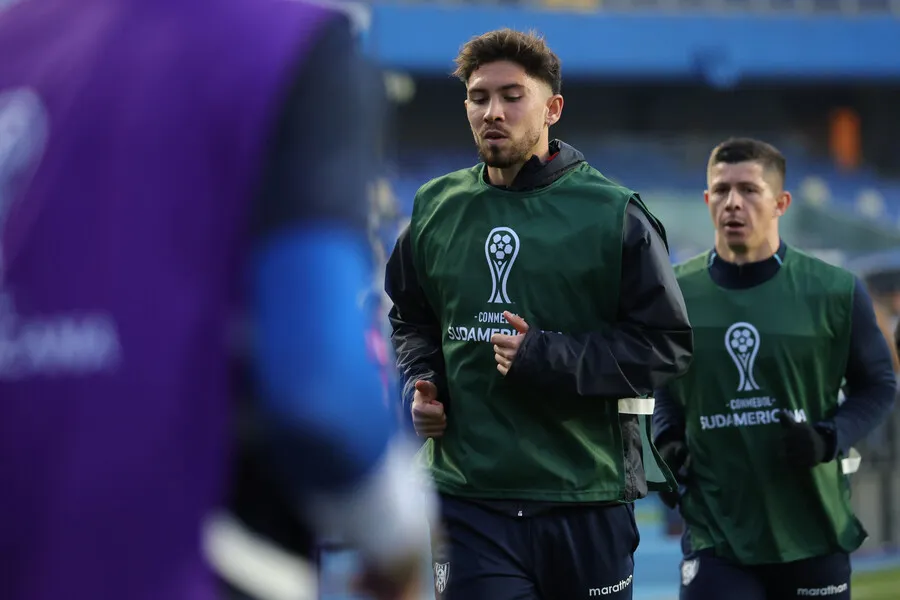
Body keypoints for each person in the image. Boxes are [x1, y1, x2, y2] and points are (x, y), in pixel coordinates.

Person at [0, 1, 433, 600]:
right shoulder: (285, 42)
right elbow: (322, 400)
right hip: (186, 564)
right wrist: (397, 539)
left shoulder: (15, 41)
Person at [385, 28, 693, 600]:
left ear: (552, 108)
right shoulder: (433, 208)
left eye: (512, 96)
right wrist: (422, 381)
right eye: (478, 97)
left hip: (585, 496)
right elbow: (412, 318)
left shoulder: (614, 214)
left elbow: (665, 346)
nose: (492, 112)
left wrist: (548, 355)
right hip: (470, 500)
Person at [653, 137, 897, 600]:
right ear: (706, 200)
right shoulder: (673, 296)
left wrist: (829, 437)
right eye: (721, 190)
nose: (733, 202)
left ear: (781, 203)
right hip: (717, 533)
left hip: (812, 529)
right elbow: (666, 383)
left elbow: (879, 385)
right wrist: (667, 437)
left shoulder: (835, 290)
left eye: (749, 190)